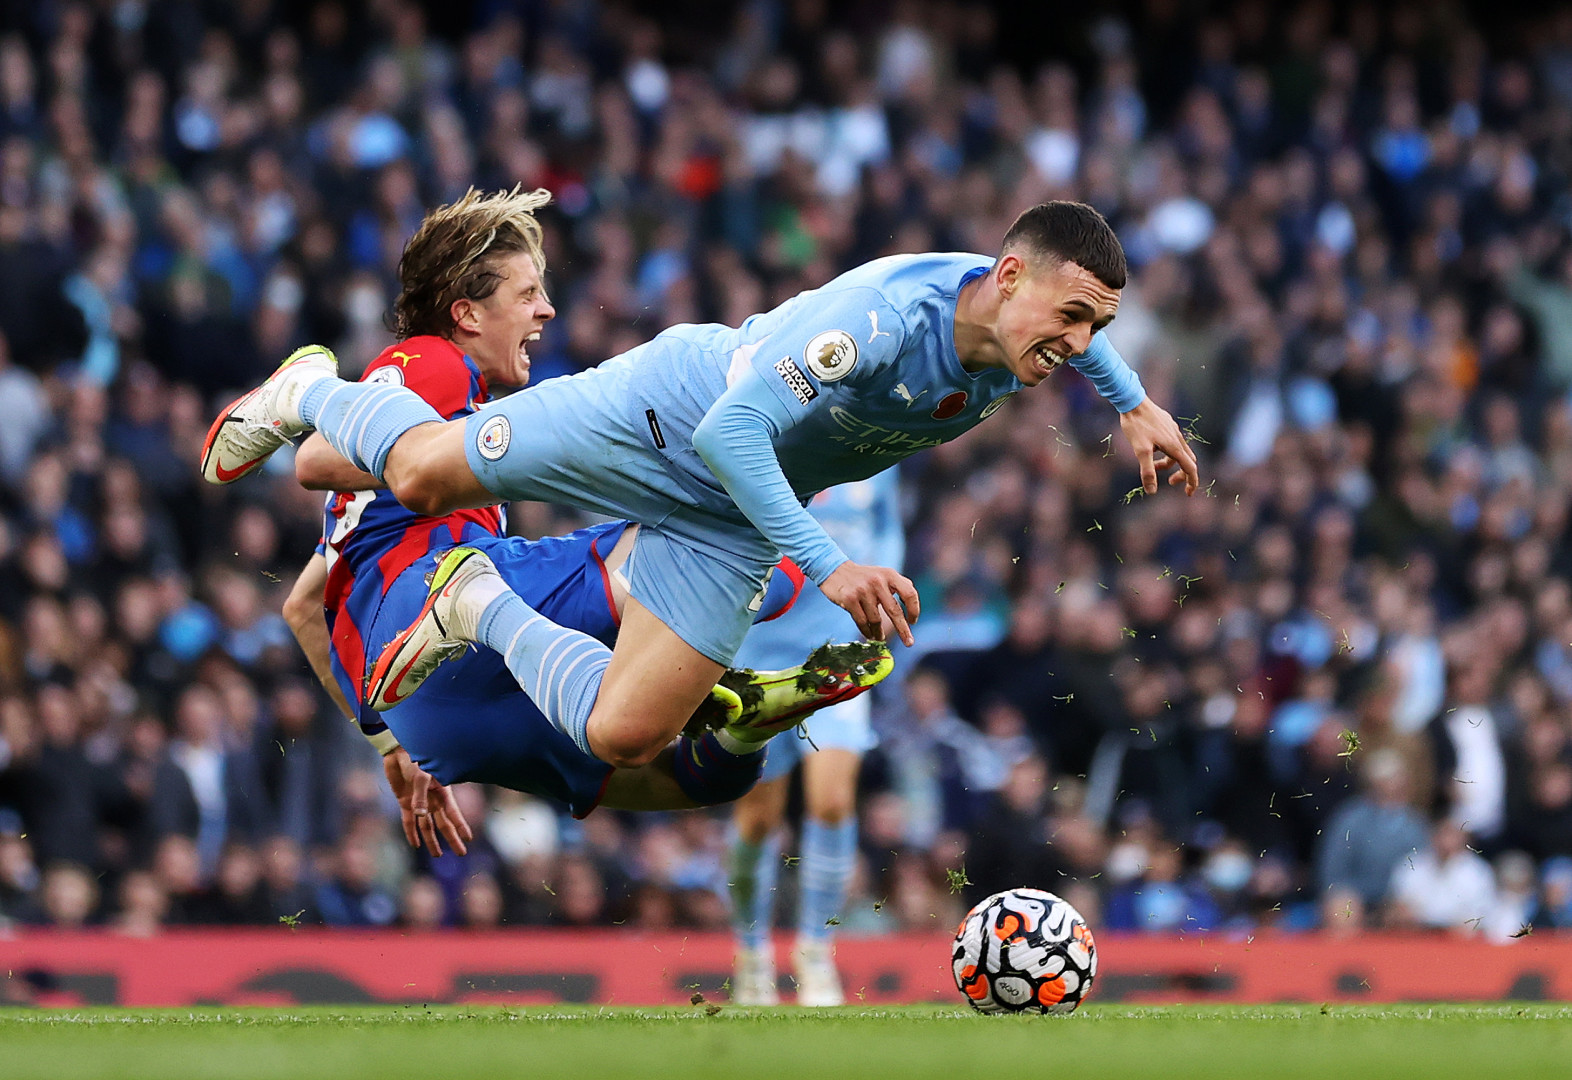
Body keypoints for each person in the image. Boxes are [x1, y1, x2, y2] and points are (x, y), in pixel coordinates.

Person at [203, 192, 1198, 820]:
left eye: (1094, 327)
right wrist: (829, 566)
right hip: (669, 419)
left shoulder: (1019, 329)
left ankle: (493, 611)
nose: (1079, 343)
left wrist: (1134, 402)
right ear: (1008, 278)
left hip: (734, 510)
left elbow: (1076, 310)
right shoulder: (884, 324)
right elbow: (731, 434)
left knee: (625, 736)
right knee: (419, 474)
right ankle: (305, 389)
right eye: (1072, 320)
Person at [270, 189, 887, 856]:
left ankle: (743, 727)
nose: (547, 310)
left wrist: (390, 744)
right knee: (732, 550)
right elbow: (315, 457)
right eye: (527, 293)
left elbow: (304, 610)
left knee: (688, 776)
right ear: (466, 314)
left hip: (428, 709)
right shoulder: (431, 361)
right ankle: (678, 641)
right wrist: (444, 448)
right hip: (433, 601)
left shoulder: (387, 495)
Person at [727, 469, 901, 1006]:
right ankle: (751, 952)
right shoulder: (763, 446)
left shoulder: (881, 454)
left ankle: (816, 951)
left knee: (832, 801)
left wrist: (888, 594)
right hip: (757, 654)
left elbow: (888, 530)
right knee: (758, 818)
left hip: (838, 651)